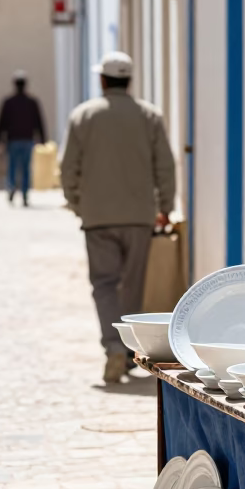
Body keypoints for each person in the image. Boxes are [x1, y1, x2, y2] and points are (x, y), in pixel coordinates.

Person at [62, 51, 176, 385]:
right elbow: (164, 166)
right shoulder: (149, 116)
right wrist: (165, 207)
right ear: (129, 80)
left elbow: (69, 167)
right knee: (132, 285)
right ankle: (127, 351)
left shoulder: (83, 116)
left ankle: (112, 347)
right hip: (139, 216)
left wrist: (77, 204)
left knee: (104, 284)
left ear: (102, 80)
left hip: (97, 217)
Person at [0, 70, 47, 206]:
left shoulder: (9, 102)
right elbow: (39, 121)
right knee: (25, 167)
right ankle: (24, 193)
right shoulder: (31, 102)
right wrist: (42, 138)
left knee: (12, 166)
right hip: (26, 139)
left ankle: (12, 187)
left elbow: (1, 122)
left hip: (13, 139)